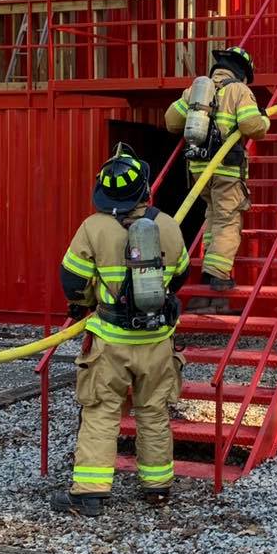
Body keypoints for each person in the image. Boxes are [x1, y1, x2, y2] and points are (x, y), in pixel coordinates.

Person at [52, 145, 190, 518]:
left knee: (100, 412)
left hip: (110, 342)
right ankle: (157, 488)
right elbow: (179, 275)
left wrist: (86, 301)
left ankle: (90, 494)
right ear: (144, 188)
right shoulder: (168, 225)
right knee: (154, 412)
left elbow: (73, 282)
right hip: (157, 340)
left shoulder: (92, 228)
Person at [165, 45, 270, 309]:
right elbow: (251, 126)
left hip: (198, 170)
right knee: (228, 219)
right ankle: (218, 275)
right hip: (226, 169)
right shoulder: (239, 90)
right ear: (243, 73)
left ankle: (208, 268)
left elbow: (171, 121)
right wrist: (265, 121)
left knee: (212, 216)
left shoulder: (196, 90)